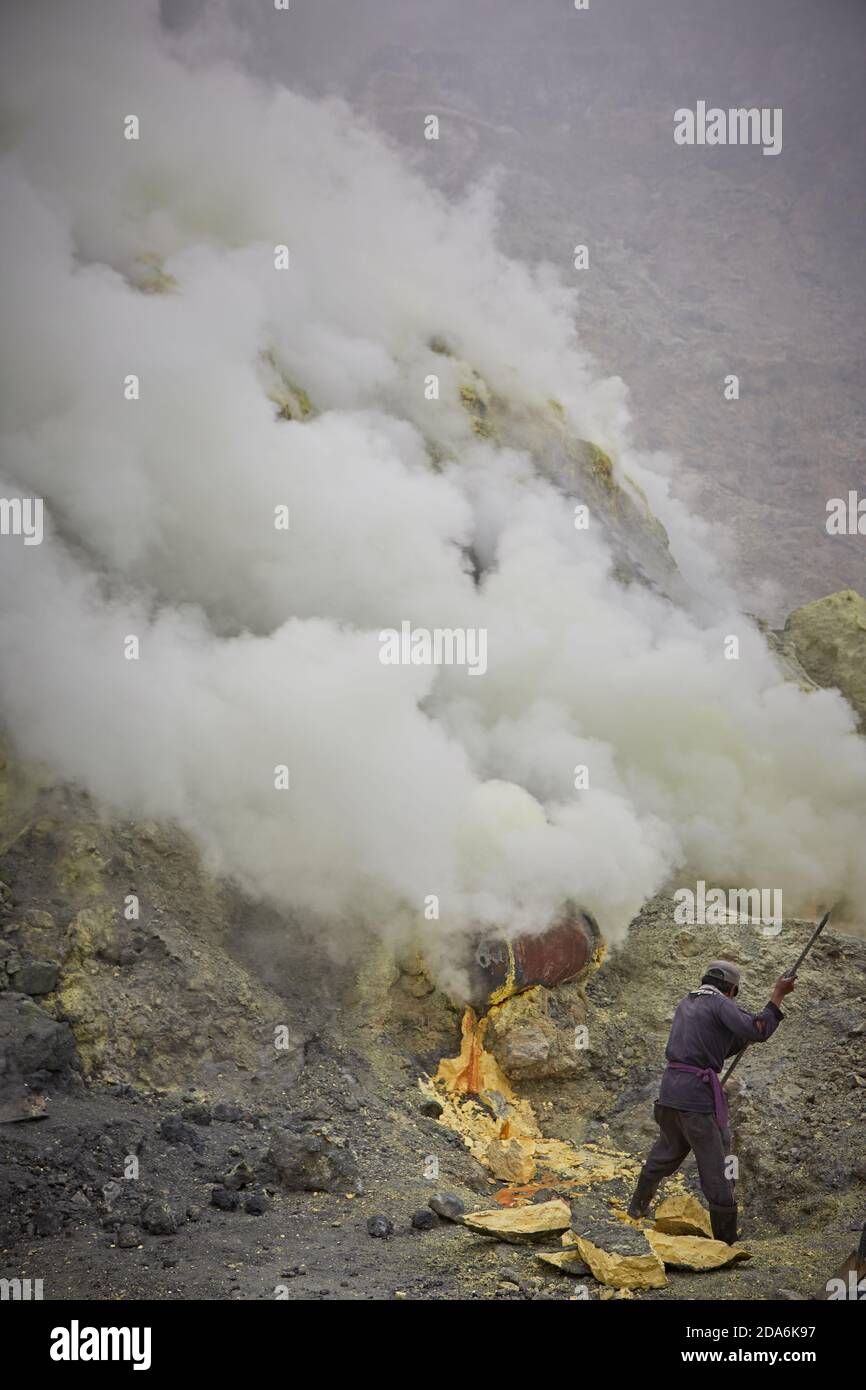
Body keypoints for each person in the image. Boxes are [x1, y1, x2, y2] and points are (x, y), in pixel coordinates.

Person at [626, 960, 796, 1243]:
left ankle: (634, 1211)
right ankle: (726, 1242)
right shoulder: (720, 1004)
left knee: (667, 1148)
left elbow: (711, 1042)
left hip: (670, 1093)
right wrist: (778, 995)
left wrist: (739, 1040)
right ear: (732, 990)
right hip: (696, 1097)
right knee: (718, 1164)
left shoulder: (687, 1002)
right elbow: (758, 1029)